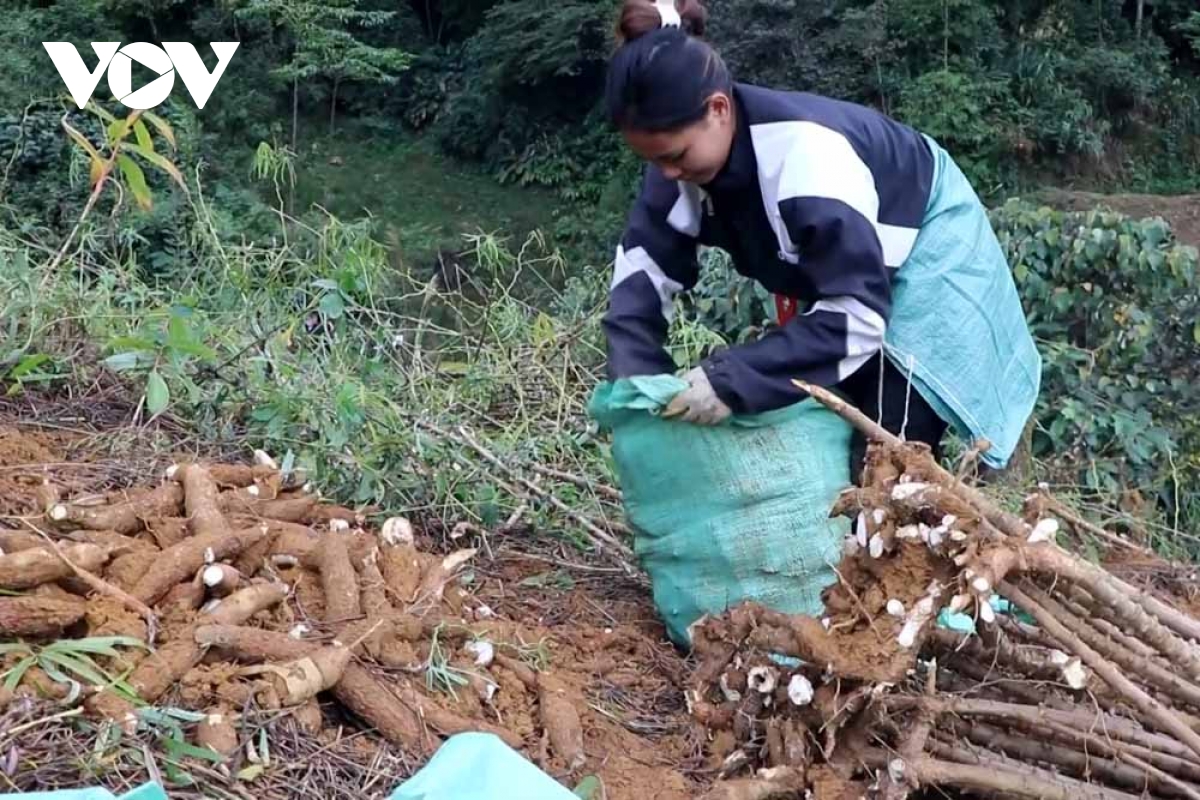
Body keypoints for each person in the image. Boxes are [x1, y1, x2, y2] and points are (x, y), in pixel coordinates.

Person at [601, 0, 1042, 480]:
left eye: (676, 155)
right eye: (653, 160)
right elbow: (640, 282)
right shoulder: (674, 171)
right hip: (846, 277)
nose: (667, 173)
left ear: (718, 109)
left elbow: (857, 319)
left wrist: (729, 380)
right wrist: (636, 392)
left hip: (926, 244)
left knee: (885, 454)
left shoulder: (808, 159)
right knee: (820, 427)